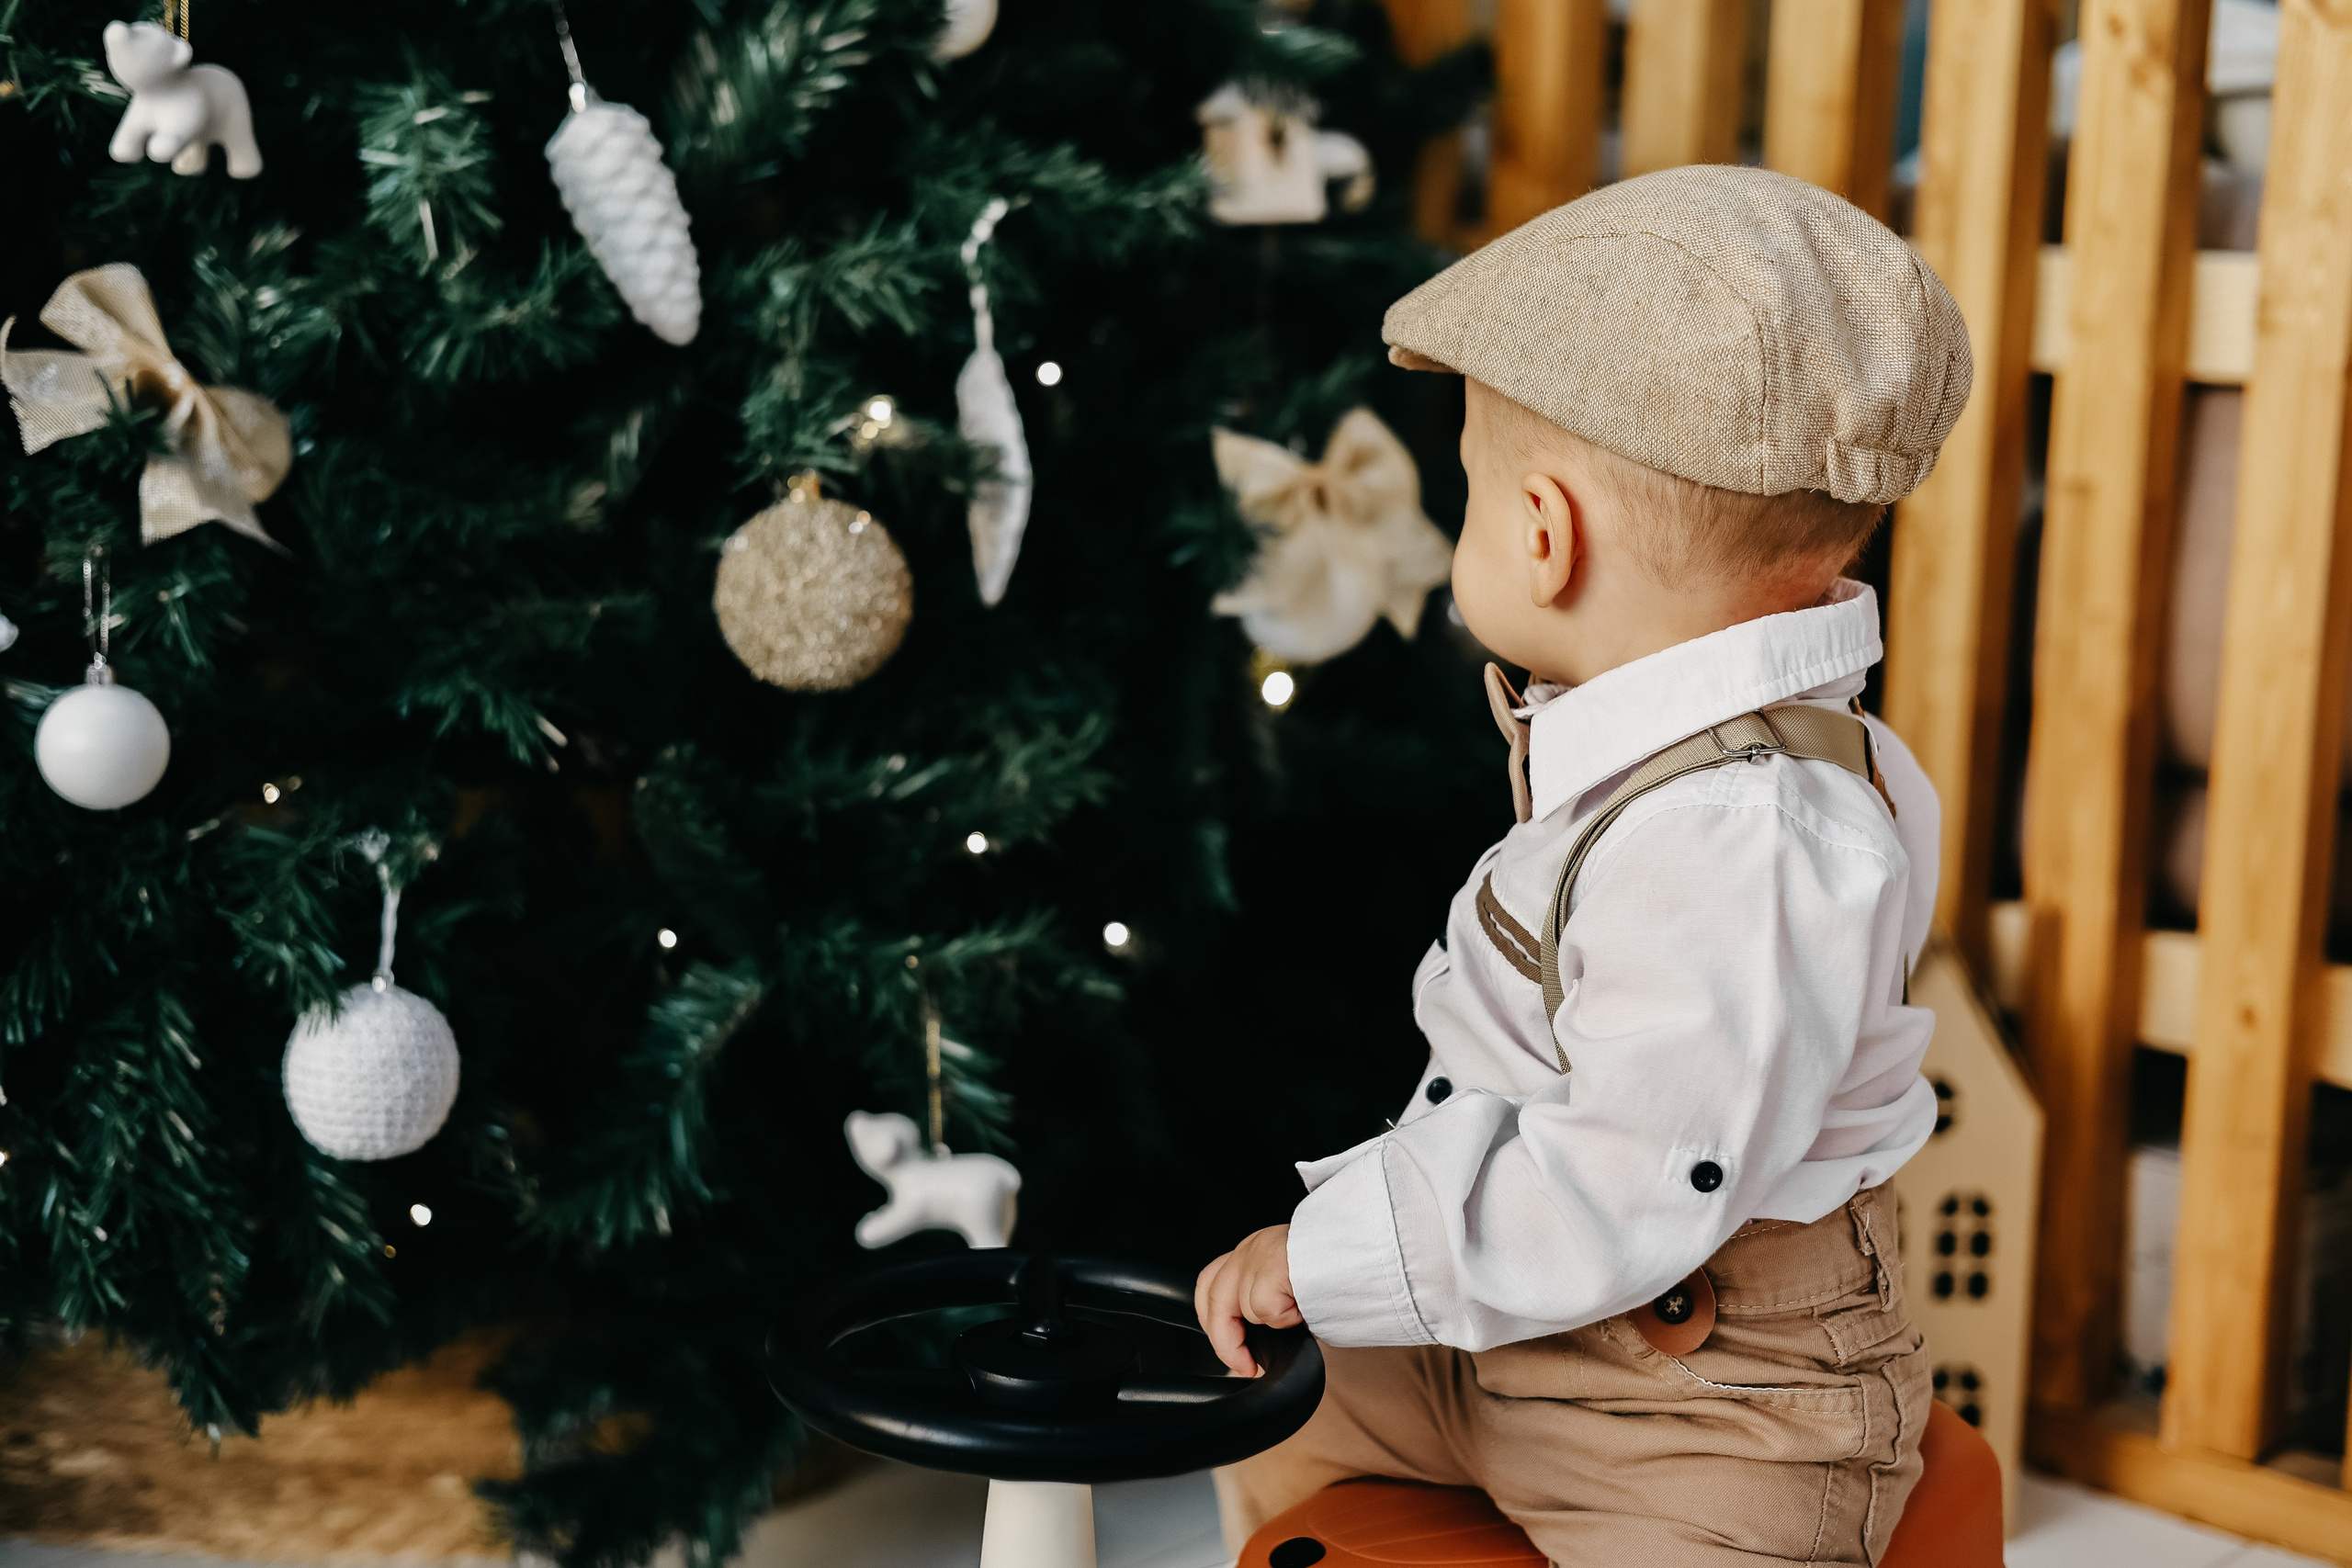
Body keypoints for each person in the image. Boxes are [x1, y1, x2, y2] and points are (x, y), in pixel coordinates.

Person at [1196, 164, 1971, 1566]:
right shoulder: (1682, 765)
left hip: (1713, 1405)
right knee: (1282, 1403)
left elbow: (1625, 1178)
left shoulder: (1744, 838)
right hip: (1531, 1329)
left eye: (1473, 491)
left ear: (1545, 538)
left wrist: (1333, 1250)